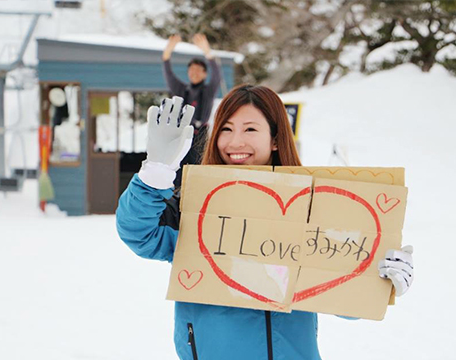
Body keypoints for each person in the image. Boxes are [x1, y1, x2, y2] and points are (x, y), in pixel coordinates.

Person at [116, 85, 415, 360]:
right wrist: (156, 171)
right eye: (227, 129)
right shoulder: (195, 204)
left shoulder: (311, 204)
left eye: (250, 129)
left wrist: (378, 280)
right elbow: (138, 234)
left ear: (274, 138)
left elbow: (340, 293)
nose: (235, 141)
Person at [162, 33, 222, 187]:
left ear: (204, 73)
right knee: (177, 169)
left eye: (198, 70)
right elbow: (168, 74)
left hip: (200, 134)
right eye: (191, 70)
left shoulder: (208, 91)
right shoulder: (182, 90)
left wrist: (207, 52)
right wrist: (167, 52)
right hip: (182, 133)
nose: (194, 73)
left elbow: (216, 77)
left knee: (199, 170)